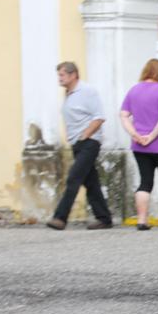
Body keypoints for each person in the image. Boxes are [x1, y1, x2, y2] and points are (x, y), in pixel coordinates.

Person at [46, 62, 114, 231]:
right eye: (59, 75)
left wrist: (85, 136)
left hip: (88, 142)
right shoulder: (69, 93)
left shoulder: (87, 91)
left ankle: (60, 218)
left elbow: (99, 117)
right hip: (77, 143)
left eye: (62, 75)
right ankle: (104, 218)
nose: (59, 78)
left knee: (73, 178)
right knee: (91, 182)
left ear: (73, 75)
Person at [120, 58, 158, 230]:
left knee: (145, 182)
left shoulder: (134, 90)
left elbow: (123, 115)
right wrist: (152, 136)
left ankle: (141, 220)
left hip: (139, 146)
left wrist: (135, 134)